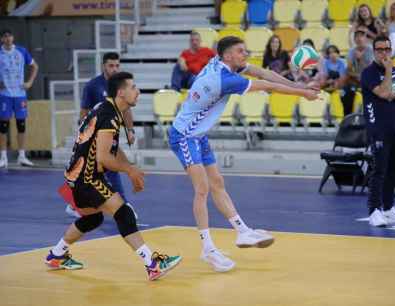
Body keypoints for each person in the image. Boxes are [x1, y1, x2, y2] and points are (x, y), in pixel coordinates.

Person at [168, 36, 319, 272]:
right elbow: (269, 87)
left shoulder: (221, 63)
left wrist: (300, 85)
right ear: (227, 55)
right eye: (241, 51)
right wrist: (303, 94)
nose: (245, 54)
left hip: (198, 134)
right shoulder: (226, 79)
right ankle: (207, 249)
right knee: (202, 189)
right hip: (185, 136)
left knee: (217, 182)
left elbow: (263, 73)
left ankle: (242, 231)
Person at [45, 72, 182, 280]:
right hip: (86, 178)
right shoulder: (109, 115)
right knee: (123, 212)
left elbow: (112, 149)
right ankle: (152, 264)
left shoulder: (107, 109)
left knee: (93, 218)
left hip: (78, 176)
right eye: (133, 87)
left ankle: (56, 255)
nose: (138, 92)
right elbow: (104, 158)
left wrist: (130, 167)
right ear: (121, 92)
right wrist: (129, 170)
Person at [65, 52, 137, 219]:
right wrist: (88, 134)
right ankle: (123, 206)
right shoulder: (93, 86)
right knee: (98, 170)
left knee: (97, 172)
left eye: (117, 65)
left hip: (111, 134)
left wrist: (130, 130)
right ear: (104, 66)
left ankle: (75, 204)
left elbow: (126, 109)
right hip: (95, 137)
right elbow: (84, 112)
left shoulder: (122, 85)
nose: (114, 69)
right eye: (111, 65)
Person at [360, 35, 395, 227]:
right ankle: (374, 210)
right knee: (379, 170)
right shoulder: (369, 73)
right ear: (374, 51)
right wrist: (389, 72)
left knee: (392, 170)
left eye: (387, 49)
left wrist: (394, 95)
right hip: (378, 128)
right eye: (380, 49)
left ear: (391, 51)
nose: (384, 53)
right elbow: (382, 92)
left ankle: (389, 209)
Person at [0, 28, 39, 168]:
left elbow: (35, 66)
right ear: (2, 39)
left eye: (10, 36)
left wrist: (29, 82)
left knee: (21, 125)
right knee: (3, 126)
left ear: (13, 37)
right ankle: (3, 157)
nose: (8, 38)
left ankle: (22, 156)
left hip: (20, 94)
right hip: (5, 95)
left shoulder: (21, 51)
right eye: (5, 36)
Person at [342, 28, 374, 115]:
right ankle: (348, 117)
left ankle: (370, 118)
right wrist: (355, 60)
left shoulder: (371, 50)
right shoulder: (351, 51)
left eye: (362, 36)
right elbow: (348, 70)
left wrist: (360, 60)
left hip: (369, 80)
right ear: (354, 39)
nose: (359, 38)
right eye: (357, 36)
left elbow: (372, 70)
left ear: (366, 39)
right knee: (345, 92)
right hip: (355, 80)